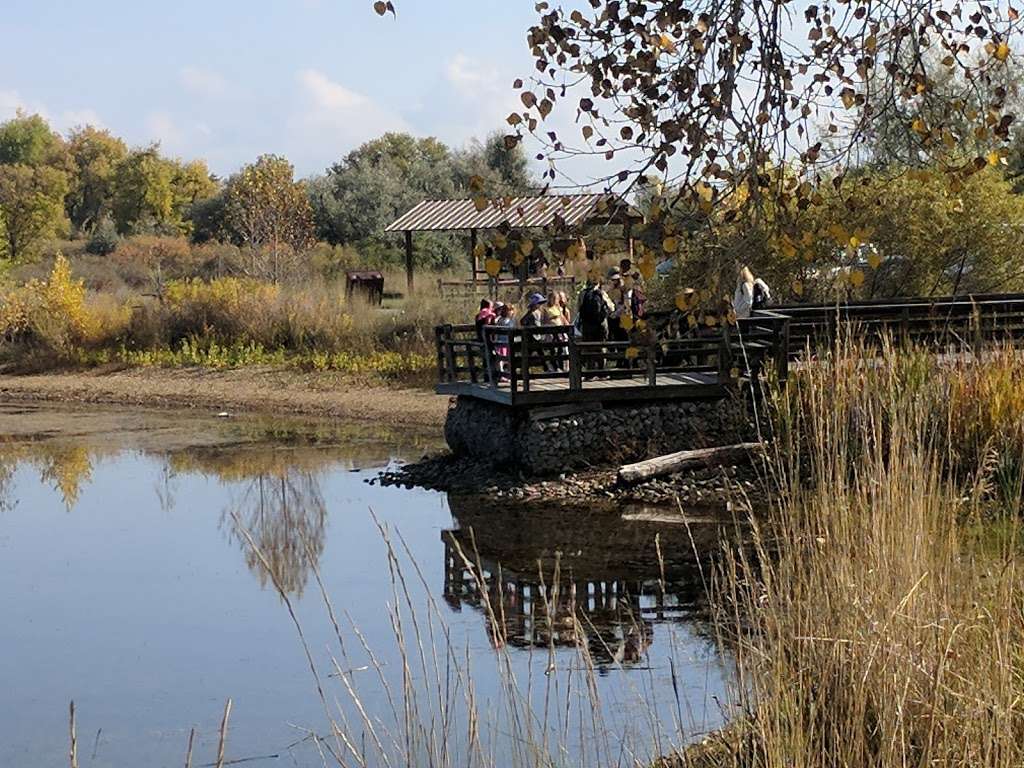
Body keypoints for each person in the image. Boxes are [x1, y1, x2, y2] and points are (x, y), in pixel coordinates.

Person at [577, 277, 614, 371]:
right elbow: (611, 308)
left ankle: (590, 372)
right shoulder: (602, 293)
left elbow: (579, 308)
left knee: (589, 347)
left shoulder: (583, 293)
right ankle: (602, 371)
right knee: (602, 347)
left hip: (587, 324)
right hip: (601, 325)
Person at [493, 302, 515, 379]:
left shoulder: (512, 320)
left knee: (509, 358)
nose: (511, 312)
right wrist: (495, 341)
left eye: (512, 310)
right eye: (510, 310)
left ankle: (509, 374)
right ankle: (501, 374)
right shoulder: (501, 320)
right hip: (501, 341)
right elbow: (497, 331)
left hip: (509, 341)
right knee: (501, 359)